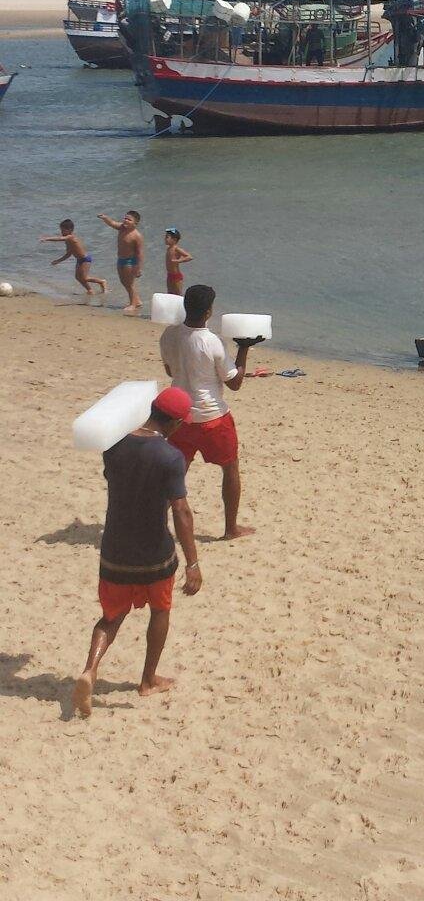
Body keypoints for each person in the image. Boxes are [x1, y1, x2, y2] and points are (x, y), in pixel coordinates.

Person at [73, 387, 202, 718]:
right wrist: (193, 563)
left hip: (114, 550)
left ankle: (90, 669)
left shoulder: (113, 446)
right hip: (154, 554)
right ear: (174, 422)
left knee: (111, 617)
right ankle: (147, 680)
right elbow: (182, 512)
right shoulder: (170, 457)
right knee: (160, 611)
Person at [159, 284, 264, 538]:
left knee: (174, 473)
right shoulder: (211, 342)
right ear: (208, 312)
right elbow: (235, 382)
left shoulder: (168, 335)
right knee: (230, 468)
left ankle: (157, 527)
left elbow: (170, 372)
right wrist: (244, 348)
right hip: (212, 418)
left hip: (179, 418)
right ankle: (231, 529)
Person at [39, 219, 106, 296]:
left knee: (84, 278)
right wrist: (58, 261)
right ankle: (90, 290)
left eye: (63, 230)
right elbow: (68, 254)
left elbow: (60, 238)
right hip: (79, 260)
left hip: (85, 259)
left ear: (70, 230)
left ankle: (101, 281)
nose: (61, 233)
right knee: (78, 277)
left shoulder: (71, 237)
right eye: (61, 230)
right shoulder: (68, 241)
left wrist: (46, 239)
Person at [98, 209, 145, 314]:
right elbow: (112, 223)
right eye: (125, 218)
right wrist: (105, 218)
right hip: (121, 259)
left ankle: (133, 304)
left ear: (135, 223)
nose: (126, 221)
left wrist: (139, 268)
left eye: (129, 219)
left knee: (130, 283)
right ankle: (137, 301)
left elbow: (140, 253)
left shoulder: (136, 236)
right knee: (124, 282)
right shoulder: (122, 228)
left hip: (130, 261)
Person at [164, 227, 193, 297]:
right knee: (170, 294)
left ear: (174, 239)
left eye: (167, 237)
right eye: (165, 237)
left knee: (178, 294)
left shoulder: (176, 249)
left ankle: (181, 307)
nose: (165, 239)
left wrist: (178, 261)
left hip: (176, 276)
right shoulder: (169, 249)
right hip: (170, 275)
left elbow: (189, 257)